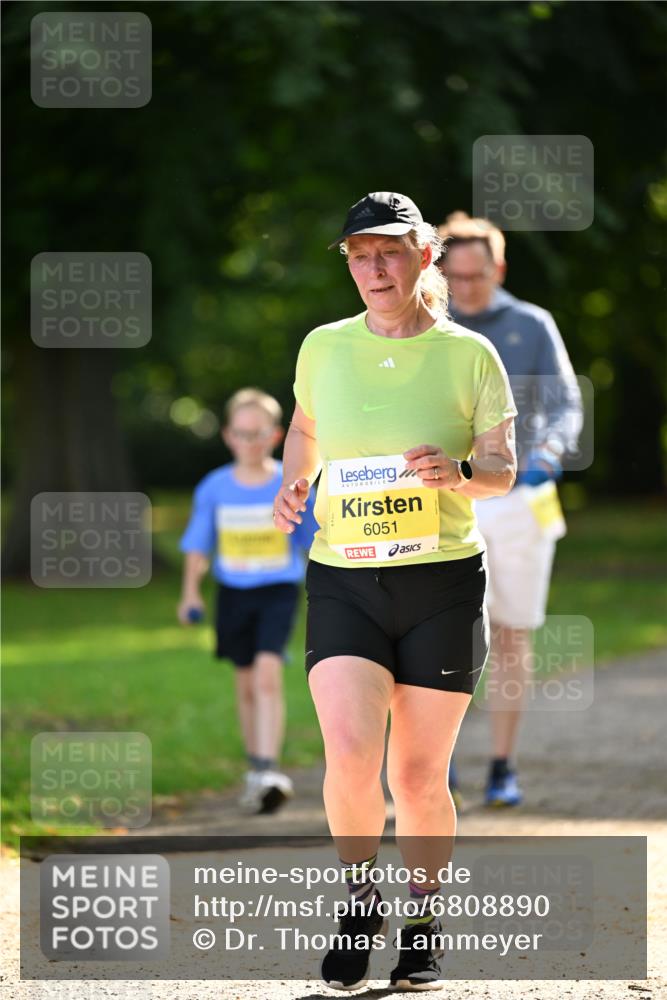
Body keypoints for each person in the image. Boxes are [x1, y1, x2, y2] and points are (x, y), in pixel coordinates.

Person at [273, 192, 517, 991]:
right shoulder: (322, 346)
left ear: (423, 256)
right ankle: (358, 903)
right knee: (348, 755)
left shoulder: (469, 355)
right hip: (344, 578)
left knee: (415, 776)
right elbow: (305, 428)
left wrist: (461, 472)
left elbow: (502, 468)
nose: (374, 269)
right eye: (359, 255)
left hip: (442, 582)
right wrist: (293, 480)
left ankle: (421, 921)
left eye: (388, 252)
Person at [438, 212, 583, 807]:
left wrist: (549, 450)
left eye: (475, 276)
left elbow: (566, 402)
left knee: (510, 633)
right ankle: (437, 764)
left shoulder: (531, 324)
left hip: (521, 498)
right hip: (450, 495)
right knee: (444, 629)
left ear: (498, 268)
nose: (465, 288)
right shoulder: (431, 326)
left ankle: (502, 765)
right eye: (455, 277)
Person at [178, 388, 317, 814]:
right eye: (242, 433)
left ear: (275, 436)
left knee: (267, 675)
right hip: (233, 595)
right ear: (228, 436)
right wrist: (189, 592)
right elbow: (199, 546)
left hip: (278, 592)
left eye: (258, 434)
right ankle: (255, 769)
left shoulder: (290, 485)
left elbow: (313, 541)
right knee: (245, 683)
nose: (250, 442)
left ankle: (270, 769)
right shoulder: (215, 487)